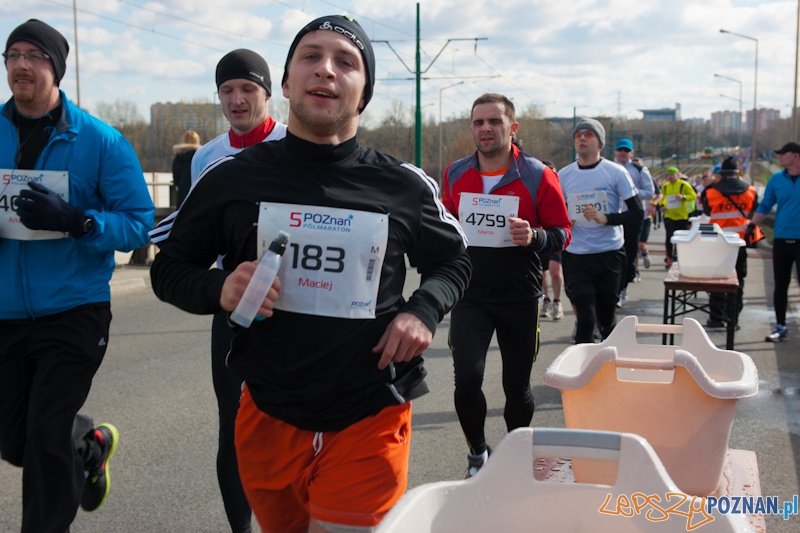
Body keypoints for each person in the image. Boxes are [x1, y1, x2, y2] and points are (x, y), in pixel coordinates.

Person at [150, 15, 470, 532]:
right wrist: (219, 288)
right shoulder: (230, 177)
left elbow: (454, 259)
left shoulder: (402, 186)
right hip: (268, 413)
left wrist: (423, 311)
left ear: (363, 92)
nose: (326, 70)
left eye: (346, 62)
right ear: (286, 82)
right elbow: (169, 269)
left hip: (371, 412)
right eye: (310, 56)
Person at [0, 19, 154, 533]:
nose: (21, 64)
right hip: (4, 312)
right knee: (15, 440)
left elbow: (138, 223)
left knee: (43, 440)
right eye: (13, 54)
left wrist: (77, 220)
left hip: (74, 310)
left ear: (56, 68)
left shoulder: (101, 141)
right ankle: (88, 443)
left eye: (35, 56)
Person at [151, 48, 287, 533]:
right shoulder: (207, 156)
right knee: (233, 429)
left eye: (247, 89)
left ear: (269, 94)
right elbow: (189, 235)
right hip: (236, 306)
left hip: (298, 305)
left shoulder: (298, 142)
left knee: (291, 426)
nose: (237, 99)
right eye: (227, 90)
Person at [442, 94, 570, 477]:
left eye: (495, 122)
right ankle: (478, 455)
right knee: (467, 378)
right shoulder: (455, 173)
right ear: (471, 129)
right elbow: (446, 223)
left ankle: (516, 460)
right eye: (478, 122)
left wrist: (534, 237)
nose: (486, 129)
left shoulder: (538, 174)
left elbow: (563, 233)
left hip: (519, 294)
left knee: (516, 387)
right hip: (471, 294)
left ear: (512, 128)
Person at [558, 118, 642, 344]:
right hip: (576, 256)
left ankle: (610, 361)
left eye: (588, 134)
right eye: (578, 135)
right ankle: (583, 375)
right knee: (586, 319)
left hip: (609, 255)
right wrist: (565, 220)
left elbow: (637, 213)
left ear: (600, 143)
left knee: (606, 318)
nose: (582, 138)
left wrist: (606, 218)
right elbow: (554, 215)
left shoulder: (615, 172)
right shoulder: (564, 175)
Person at [702, 157, 762, 329]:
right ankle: (732, 319)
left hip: (718, 243)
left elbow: (707, 211)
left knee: (717, 279)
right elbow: (753, 212)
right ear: (737, 173)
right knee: (738, 280)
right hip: (739, 242)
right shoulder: (750, 190)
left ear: (722, 174)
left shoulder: (711, 190)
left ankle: (716, 317)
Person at [749, 142, 800, 342]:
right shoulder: (777, 179)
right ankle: (780, 327)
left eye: (783, 154)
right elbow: (765, 204)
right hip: (781, 239)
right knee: (781, 284)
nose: (779, 158)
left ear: (795, 155)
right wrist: (751, 225)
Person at [613, 138, 654, 305]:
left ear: (631, 153)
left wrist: (629, 192)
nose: (622, 153)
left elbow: (650, 192)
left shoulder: (639, 169)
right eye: (620, 149)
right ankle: (615, 289)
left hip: (632, 218)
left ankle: (623, 288)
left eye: (626, 150)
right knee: (614, 255)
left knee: (628, 255)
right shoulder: (609, 167)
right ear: (615, 152)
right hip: (613, 217)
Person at [658, 166, 696, 268]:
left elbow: (694, 196)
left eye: (672, 174)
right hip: (669, 215)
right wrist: (662, 205)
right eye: (668, 175)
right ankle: (669, 258)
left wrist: (683, 197)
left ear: (678, 175)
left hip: (682, 216)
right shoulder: (665, 186)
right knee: (669, 237)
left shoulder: (684, 185)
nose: (670, 177)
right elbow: (662, 198)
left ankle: (679, 257)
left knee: (680, 239)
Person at [172, 129, 201, 207]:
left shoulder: (179, 157)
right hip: (198, 193)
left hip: (183, 192)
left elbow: (176, 178)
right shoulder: (200, 155)